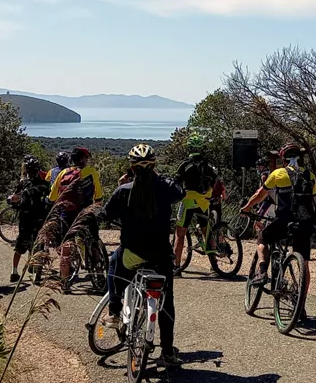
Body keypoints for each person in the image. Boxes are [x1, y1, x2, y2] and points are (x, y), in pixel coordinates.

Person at [100, 144, 184, 368]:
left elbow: (106, 214)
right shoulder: (166, 188)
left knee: (114, 264)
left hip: (133, 253)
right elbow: (180, 192)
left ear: (131, 168)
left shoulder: (123, 190)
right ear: (154, 165)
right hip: (160, 256)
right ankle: (168, 353)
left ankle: (114, 311)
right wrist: (160, 177)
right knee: (166, 303)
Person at [240, 143, 316, 322]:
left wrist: (247, 207)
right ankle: (300, 305)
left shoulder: (278, 174)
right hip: (304, 224)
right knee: (304, 264)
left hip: (284, 222)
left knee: (263, 237)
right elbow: (313, 201)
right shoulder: (310, 176)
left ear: (283, 159)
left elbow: (261, 194)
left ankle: (261, 271)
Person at [42, 146, 103, 292]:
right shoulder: (90, 172)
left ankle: (64, 283)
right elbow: (99, 195)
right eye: (86, 158)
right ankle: (99, 272)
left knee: (66, 248)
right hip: (86, 213)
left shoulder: (63, 173)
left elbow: (52, 197)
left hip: (67, 215)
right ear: (83, 159)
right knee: (94, 239)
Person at [172, 133, 218, 276]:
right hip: (204, 200)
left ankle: (176, 267)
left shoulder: (185, 164)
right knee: (206, 230)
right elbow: (215, 180)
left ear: (189, 148)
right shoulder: (208, 164)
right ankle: (215, 266)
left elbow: (176, 183)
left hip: (188, 200)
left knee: (180, 234)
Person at [8, 155, 52, 282]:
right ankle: (34, 269)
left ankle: (14, 271)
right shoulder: (45, 184)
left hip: (26, 218)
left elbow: (15, 199)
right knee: (38, 243)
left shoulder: (23, 184)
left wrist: (13, 202)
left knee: (20, 246)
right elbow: (50, 200)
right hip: (40, 217)